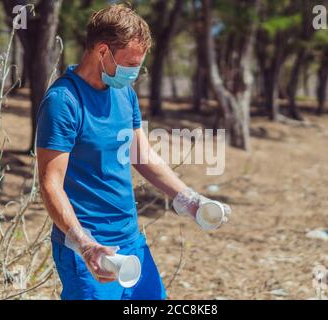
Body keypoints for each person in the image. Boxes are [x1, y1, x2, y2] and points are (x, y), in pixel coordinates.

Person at [36, 4, 231, 300]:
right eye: (130, 63)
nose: (134, 72)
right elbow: (51, 184)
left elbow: (141, 155)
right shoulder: (63, 101)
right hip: (89, 250)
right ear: (102, 51)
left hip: (131, 239)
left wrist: (188, 199)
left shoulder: (123, 92)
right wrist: (83, 243)